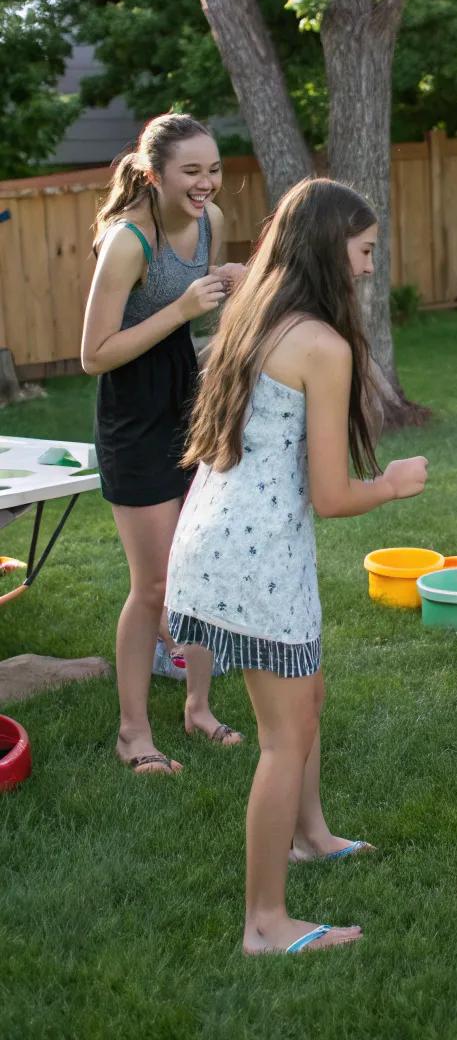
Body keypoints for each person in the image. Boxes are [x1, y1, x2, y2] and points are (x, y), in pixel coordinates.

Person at [166, 179, 428, 956]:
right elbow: (333, 495)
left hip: (215, 537)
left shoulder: (258, 313)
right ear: (328, 250)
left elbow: (249, 271)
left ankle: (311, 835)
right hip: (258, 557)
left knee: (305, 697)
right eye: (365, 252)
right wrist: (392, 485)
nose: (372, 269)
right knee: (283, 737)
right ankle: (264, 923)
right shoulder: (321, 343)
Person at [82, 114, 246, 777]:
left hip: (187, 402)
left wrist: (232, 290)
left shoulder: (209, 223)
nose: (206, 183)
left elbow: (202, 323)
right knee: (153, 586)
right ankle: (132, 733)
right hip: (132, 416)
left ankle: (198, 709)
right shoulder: (127, 242)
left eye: (213, 169)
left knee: (199, 573)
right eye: (191, 171)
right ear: (155, 175)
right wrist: (181, 310)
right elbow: (92, 354)